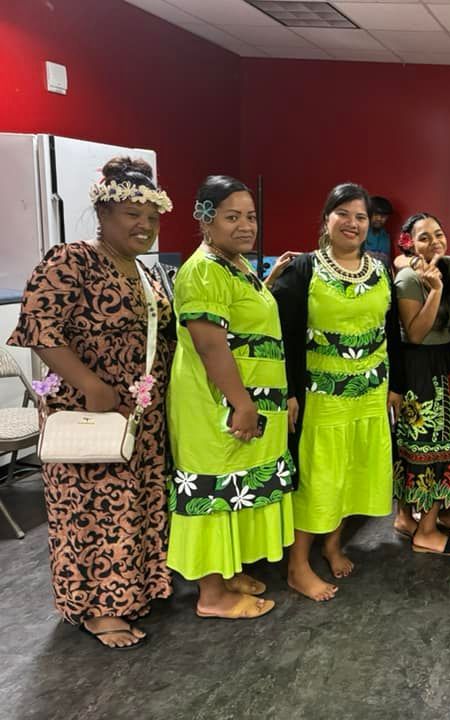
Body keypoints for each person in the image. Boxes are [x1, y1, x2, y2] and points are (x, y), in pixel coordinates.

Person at [8, 157, 174, 648]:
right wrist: (93, 386)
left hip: (140, 413)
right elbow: (38, 329)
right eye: (131, 215)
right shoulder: (71, 259)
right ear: (102, 214)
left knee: (137, 501)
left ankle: (138, 589)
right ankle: (99, 608)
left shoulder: (144, 271)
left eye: (152, 217)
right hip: (89, 410)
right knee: (95, 507)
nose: (144, 225)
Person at [166, 176, 293, 620]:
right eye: (231, 216)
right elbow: (210, 345)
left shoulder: (234, 264)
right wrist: (241, 401)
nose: (245, 226)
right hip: (214, 402)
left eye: (251, 216)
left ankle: (225, 571)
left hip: (246, 397)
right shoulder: (202, 269)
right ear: (205, 219)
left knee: (235, 487)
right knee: (213, 488)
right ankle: (211, 594)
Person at [272, 183, 403, 599]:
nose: (352, 223)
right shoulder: (304, 269)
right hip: (321, 395)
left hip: (368, 392)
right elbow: (284, 335)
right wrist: (291, 392)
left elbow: (391, 332)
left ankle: (332, 544)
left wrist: (395, 385)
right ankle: (298, 565)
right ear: (326, 219)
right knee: (319, 475)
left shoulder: (381, 271)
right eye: (342, 214)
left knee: (353, 471)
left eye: (360, 217)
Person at [391, 212, 450, 555]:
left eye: (439, 234)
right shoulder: (409, 278)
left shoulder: (444, 271)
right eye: (424, 237)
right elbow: (416, 332)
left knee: (427, 445)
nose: (435, 242)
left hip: (442, 366)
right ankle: (425, 530)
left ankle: (406, 518)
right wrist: (435, 290)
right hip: (419, 369)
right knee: (429, 449)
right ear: (410, 243)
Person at [366, 195, 393, 267]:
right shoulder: (359, 230)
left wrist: (367, 254)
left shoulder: (384, 235)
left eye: (383, 216)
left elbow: (386, 260)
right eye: (376, 214)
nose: (379, 219)